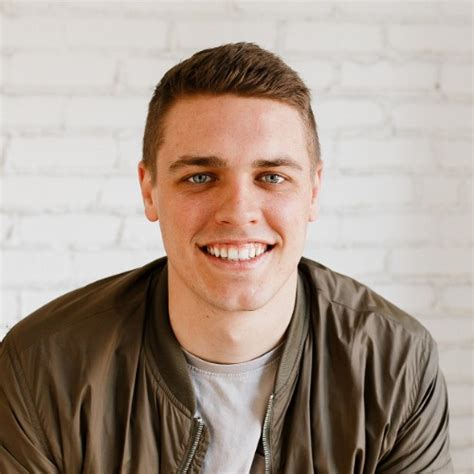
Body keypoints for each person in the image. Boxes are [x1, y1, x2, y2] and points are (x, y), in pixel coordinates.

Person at [0, 42, 452, 473]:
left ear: (313, 192)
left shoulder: (395, 364)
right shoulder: (41, 368)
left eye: (272, 177)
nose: (238, 212)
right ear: (149, 190)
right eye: (200, 177)